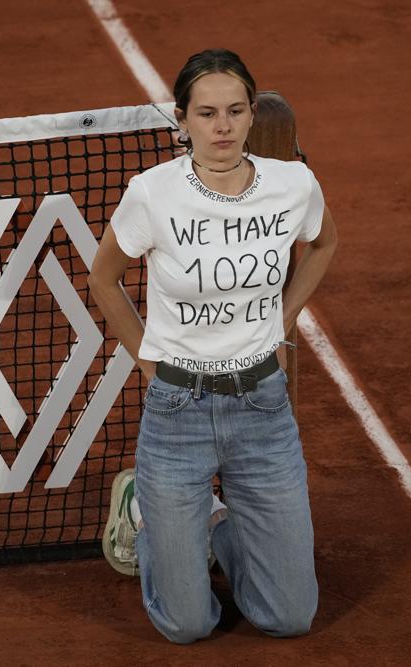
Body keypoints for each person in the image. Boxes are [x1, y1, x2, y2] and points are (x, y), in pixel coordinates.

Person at [87, 48, 338, 644]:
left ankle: (216, 518)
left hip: (263, 412)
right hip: (177, 415)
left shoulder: (293, 184)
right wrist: (148, 360)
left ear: (253, 115)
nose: (221, 126)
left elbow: (325, 244)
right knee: (187, 625)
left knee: (288, 617)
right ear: (183, 120)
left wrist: (283, 320)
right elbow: (104, 275)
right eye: (206, 113)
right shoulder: (153, 193)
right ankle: (143, 507)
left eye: (234, 110)